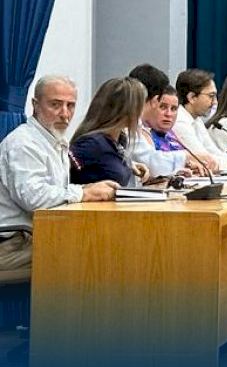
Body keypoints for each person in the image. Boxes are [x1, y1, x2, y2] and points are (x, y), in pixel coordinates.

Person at [0, 76, 117, 270]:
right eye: (55, 105)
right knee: (94, 254)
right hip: (12, 243)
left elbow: (52, 189)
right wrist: (84, 193)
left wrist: (88, 188)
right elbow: (33, 198)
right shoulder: (23, 143)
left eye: (70, 106)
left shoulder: (52, 139)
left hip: (35, 234)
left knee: (104, 242)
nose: (65, 114)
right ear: (35, 105)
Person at [69, 77, 151, 187]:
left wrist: (128, 165)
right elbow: (64, 172)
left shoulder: (119, 140)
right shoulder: (92, 144)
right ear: (128, 109)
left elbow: (104, 163)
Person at [174, 68, 227, 170]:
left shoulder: (197, 120)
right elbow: (204, 160)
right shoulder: (179, 122)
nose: (215, 102)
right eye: (211, 96)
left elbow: (214, 152)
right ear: (192, 97)